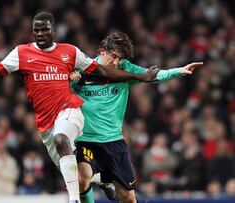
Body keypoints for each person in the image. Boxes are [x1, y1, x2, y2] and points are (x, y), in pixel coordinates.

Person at [0, 12, 158, 203]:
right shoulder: (21, 53)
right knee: (73, 170)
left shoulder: (70, 51)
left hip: (70, 110)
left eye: (44, 29)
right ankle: (100, 179)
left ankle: (73, 199)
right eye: (36, 30)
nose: (40, 34)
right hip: (46, 123)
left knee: (62, 139)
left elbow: (102, 71)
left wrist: (138, 76)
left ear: (53, 30)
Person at [70, 31, 203, 203]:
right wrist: (71, 81)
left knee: (128, 198)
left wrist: (179, 71)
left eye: (120, 58)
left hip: (113, 141)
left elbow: (152, 76)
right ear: (102, 50)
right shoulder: (84, 68)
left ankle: (102, 178)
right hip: (85, 139)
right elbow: (63, 88)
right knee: (82, 177)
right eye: (114, 56)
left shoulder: (126, 69)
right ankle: (98, 180)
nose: (116, 62)